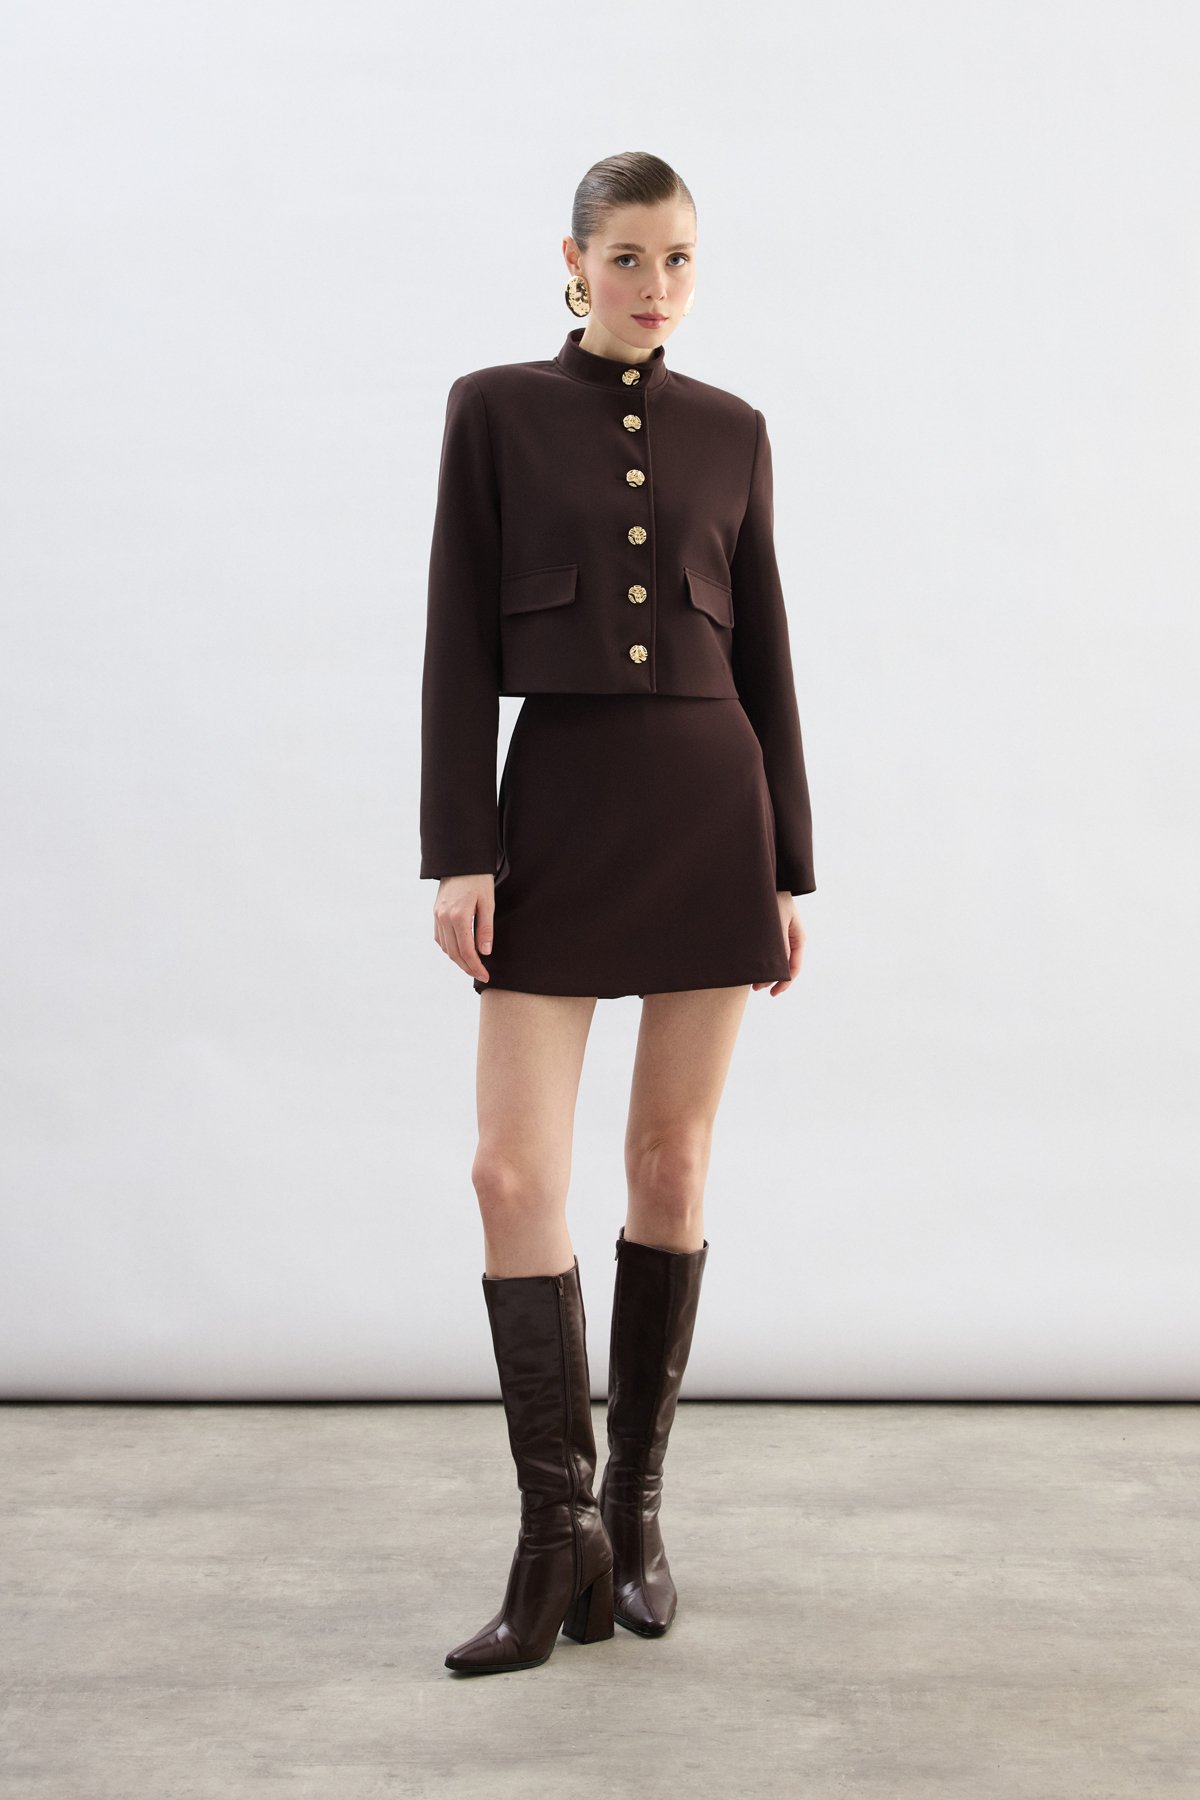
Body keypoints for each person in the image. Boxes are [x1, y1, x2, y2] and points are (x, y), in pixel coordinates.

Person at [420, 151, 816, 1675]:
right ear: (575, 261)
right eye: (632, 256)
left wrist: (787, 869)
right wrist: (461, 848)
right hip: (561, 810)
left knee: (671, 1158)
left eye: (682, 259)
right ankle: (554, 1534)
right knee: (510, 1170)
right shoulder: (495, 409)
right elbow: (457, 639)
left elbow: (768, 655)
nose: (659, 286)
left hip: (713, 808)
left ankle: (634, 1518)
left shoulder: (734, 431)